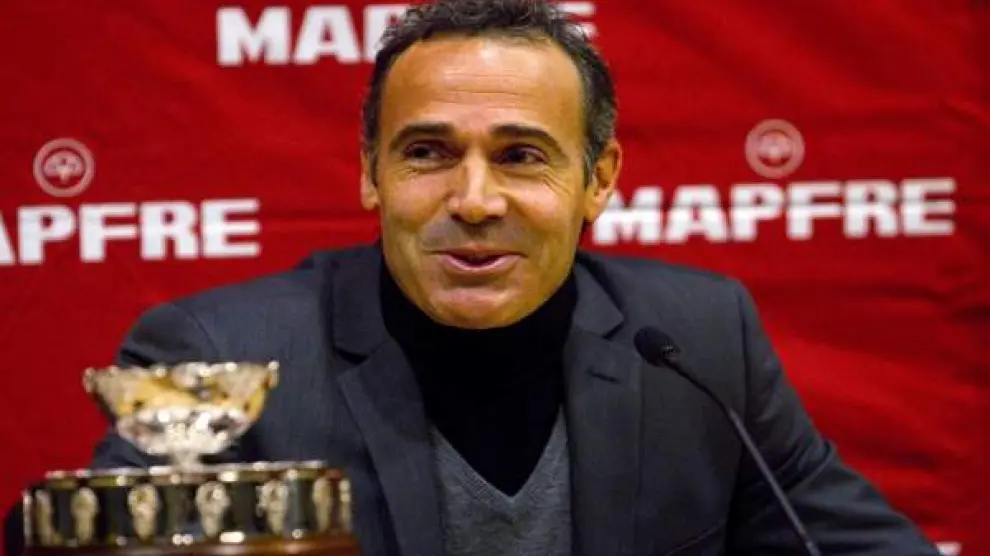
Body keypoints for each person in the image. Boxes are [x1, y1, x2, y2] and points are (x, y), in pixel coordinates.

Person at [85, 0, 938, 554]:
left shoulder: (700, 340)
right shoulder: (223, 354)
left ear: (599, 179)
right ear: (371, 173)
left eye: (521, 156)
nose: (475, 200)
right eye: (428, 153)